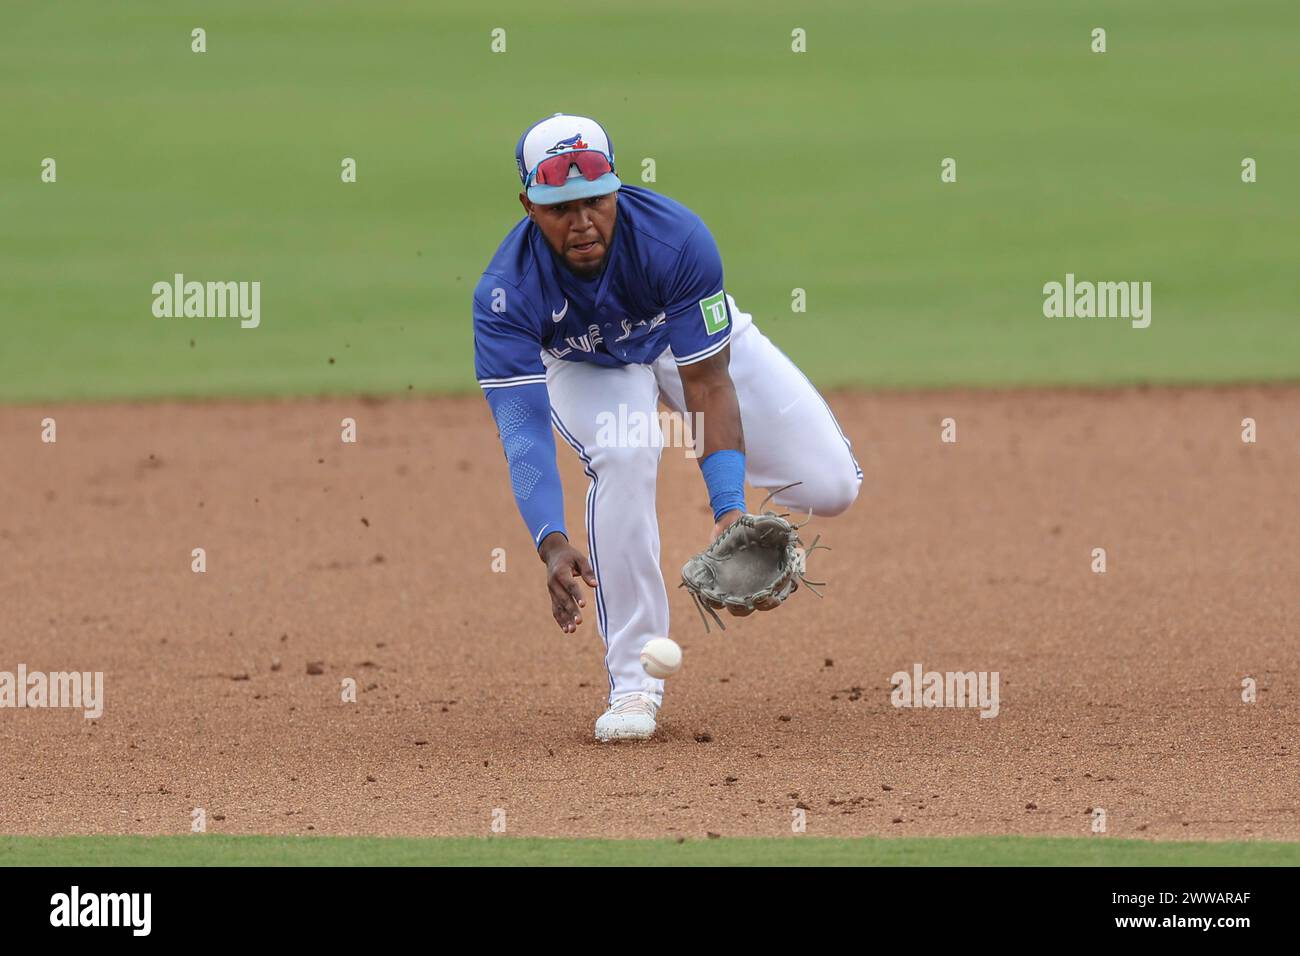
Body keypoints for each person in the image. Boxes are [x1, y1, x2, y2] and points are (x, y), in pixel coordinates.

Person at [472, 113, 861, 742]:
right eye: (559, 207)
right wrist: (550, 539)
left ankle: (753, 502)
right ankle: (633, 683)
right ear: (528, 205)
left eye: (596, 200)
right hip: (585, 365)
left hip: (682, 342)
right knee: (626, 451)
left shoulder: (675, 240)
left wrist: (729, 510)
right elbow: (522, 430)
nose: (582, 222)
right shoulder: (506, 293)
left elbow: (707, 383)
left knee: (833, 487)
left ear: (616, 189)